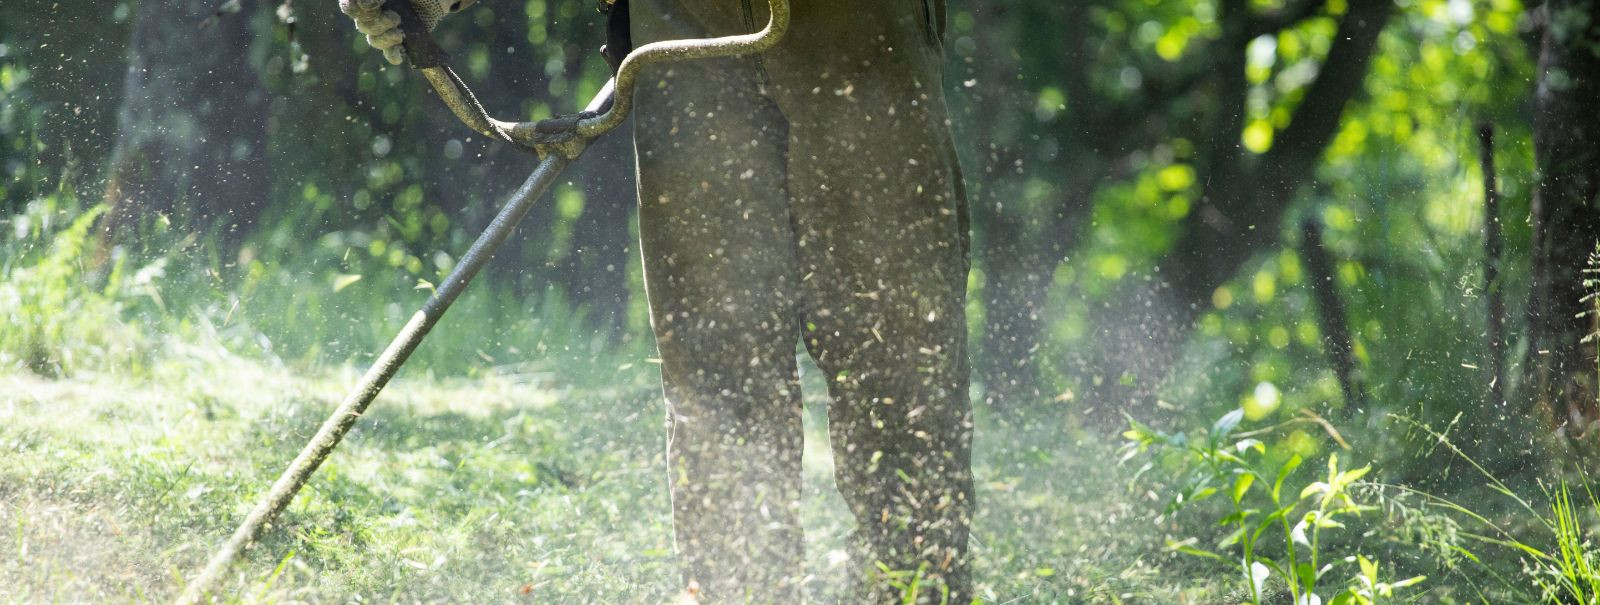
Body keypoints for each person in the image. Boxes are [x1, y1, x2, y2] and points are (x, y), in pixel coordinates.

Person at [340, 0, 974, 602]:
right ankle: (737, 592)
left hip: (854, 25)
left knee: (894, 343)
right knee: (717, 356)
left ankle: (916, 587)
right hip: (685, 25)